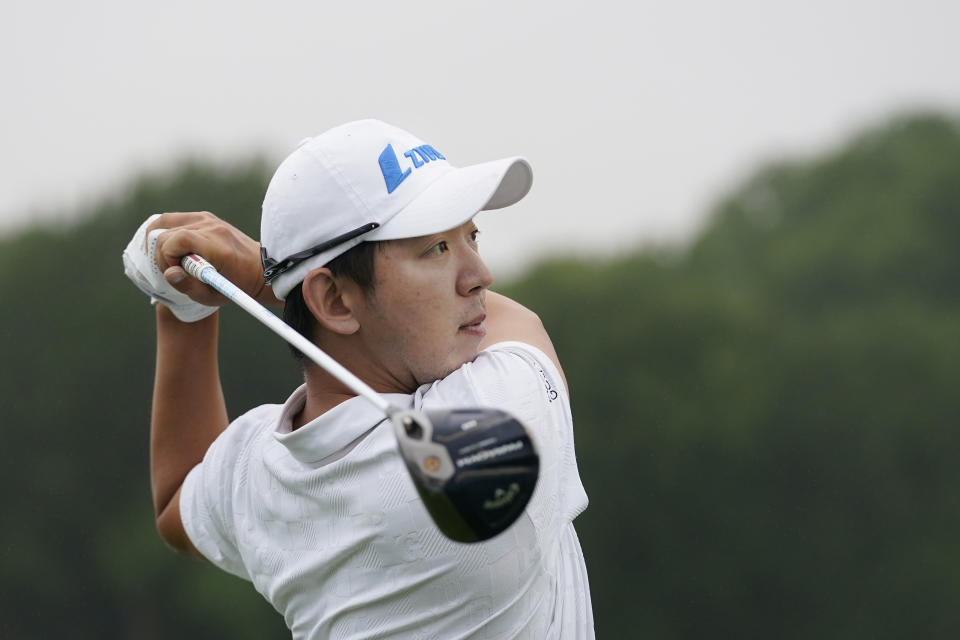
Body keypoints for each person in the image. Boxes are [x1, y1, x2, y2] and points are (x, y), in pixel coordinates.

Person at [123, 119, 594, 638]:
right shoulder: (493, 417)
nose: (479, 274)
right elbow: (522, 325)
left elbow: (176, 501)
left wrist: (181, 304)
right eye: (436, 248)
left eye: (471, 236)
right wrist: (262, 276)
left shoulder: (259, 473)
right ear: (334, 300)